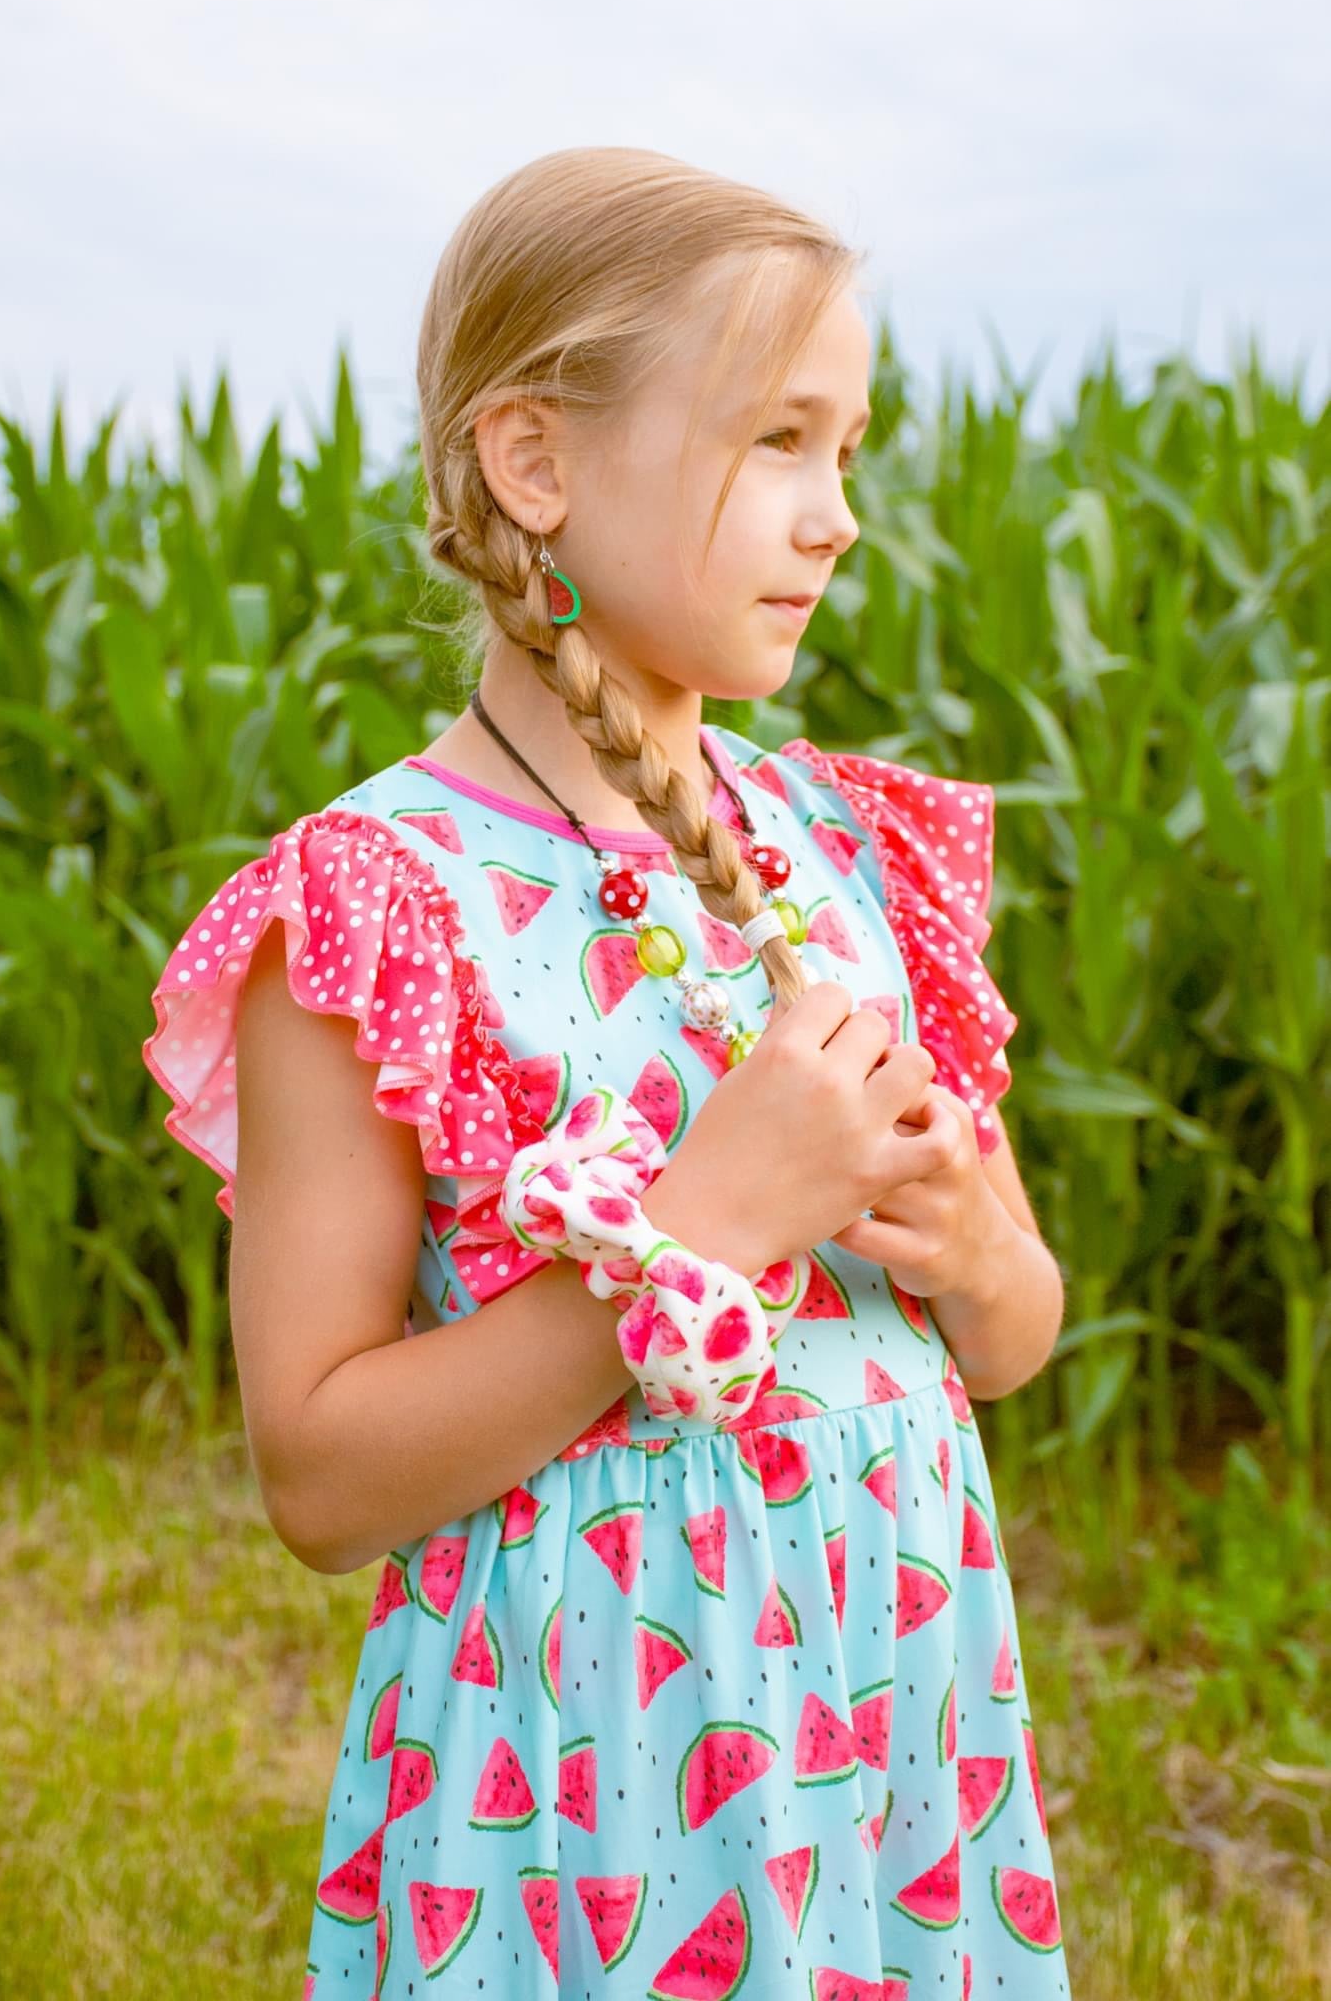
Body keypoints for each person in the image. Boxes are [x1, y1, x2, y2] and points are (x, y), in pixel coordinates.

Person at [142, 147, 1073, 2000]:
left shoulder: (853, 851)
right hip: (587, 1776)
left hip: (893, 1714)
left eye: (849, 449)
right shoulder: (379, 910)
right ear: (535, 461)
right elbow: (321, 1481)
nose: (837, 517)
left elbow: (1008, 1333)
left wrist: (974, 1247)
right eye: (777, 442)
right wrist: (698, 1231)